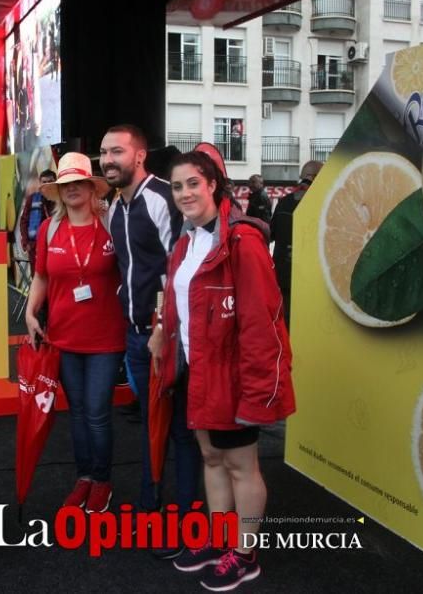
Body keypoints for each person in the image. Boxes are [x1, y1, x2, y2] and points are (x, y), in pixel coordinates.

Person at [148, 151, 295, 590]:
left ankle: (245, 554)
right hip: (198, 371)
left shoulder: (242, 242)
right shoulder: (186, 242)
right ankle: (220, 539)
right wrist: (161, 333)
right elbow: (177, 303)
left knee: (240, 465)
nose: (185, 193)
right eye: (177, 187)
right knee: (211, 457)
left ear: (213, 184)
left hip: (234, 375)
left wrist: (257, 392)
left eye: (193, 183)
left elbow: (260, 322)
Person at [100, 123, 199, 543]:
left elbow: (179, 270)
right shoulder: (115, 207)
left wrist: (163, 329)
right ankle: (150, 501)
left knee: (179, 428)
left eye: (117, 152)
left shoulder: (160, 197)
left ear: (138, 156)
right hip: (136, 338)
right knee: (149, 422)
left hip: (168, 338)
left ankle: (186, 518)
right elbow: (126, 270)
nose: (107, 160)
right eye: (104, 153)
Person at [24, 153, 125, 513]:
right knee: (79, 412)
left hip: (106, 338)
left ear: (91, 186)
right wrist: (30, 311)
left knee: (97, 411)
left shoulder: (113, 224)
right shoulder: (51, 230)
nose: (72, 190)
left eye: (78, 183)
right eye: (65, 185)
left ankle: (102, 480)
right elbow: (41, 277)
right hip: (63, 337)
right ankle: (84, 476)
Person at [270, 160, 323, 327]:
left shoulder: (284, 201)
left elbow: (272, 234)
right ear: (314, 177)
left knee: (286, 319)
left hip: (283, 271)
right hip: (309, 274)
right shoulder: (319, 202)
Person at [18, 169, 57, 269]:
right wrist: (26, 243)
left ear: (56, 182)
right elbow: (23, 221)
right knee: (36, 277)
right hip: (35, 247)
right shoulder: (32, 199)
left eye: (50, 181)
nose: (47, 184)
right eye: (44, 182)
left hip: (57, 246)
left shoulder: (61, 199)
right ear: (40, 183)